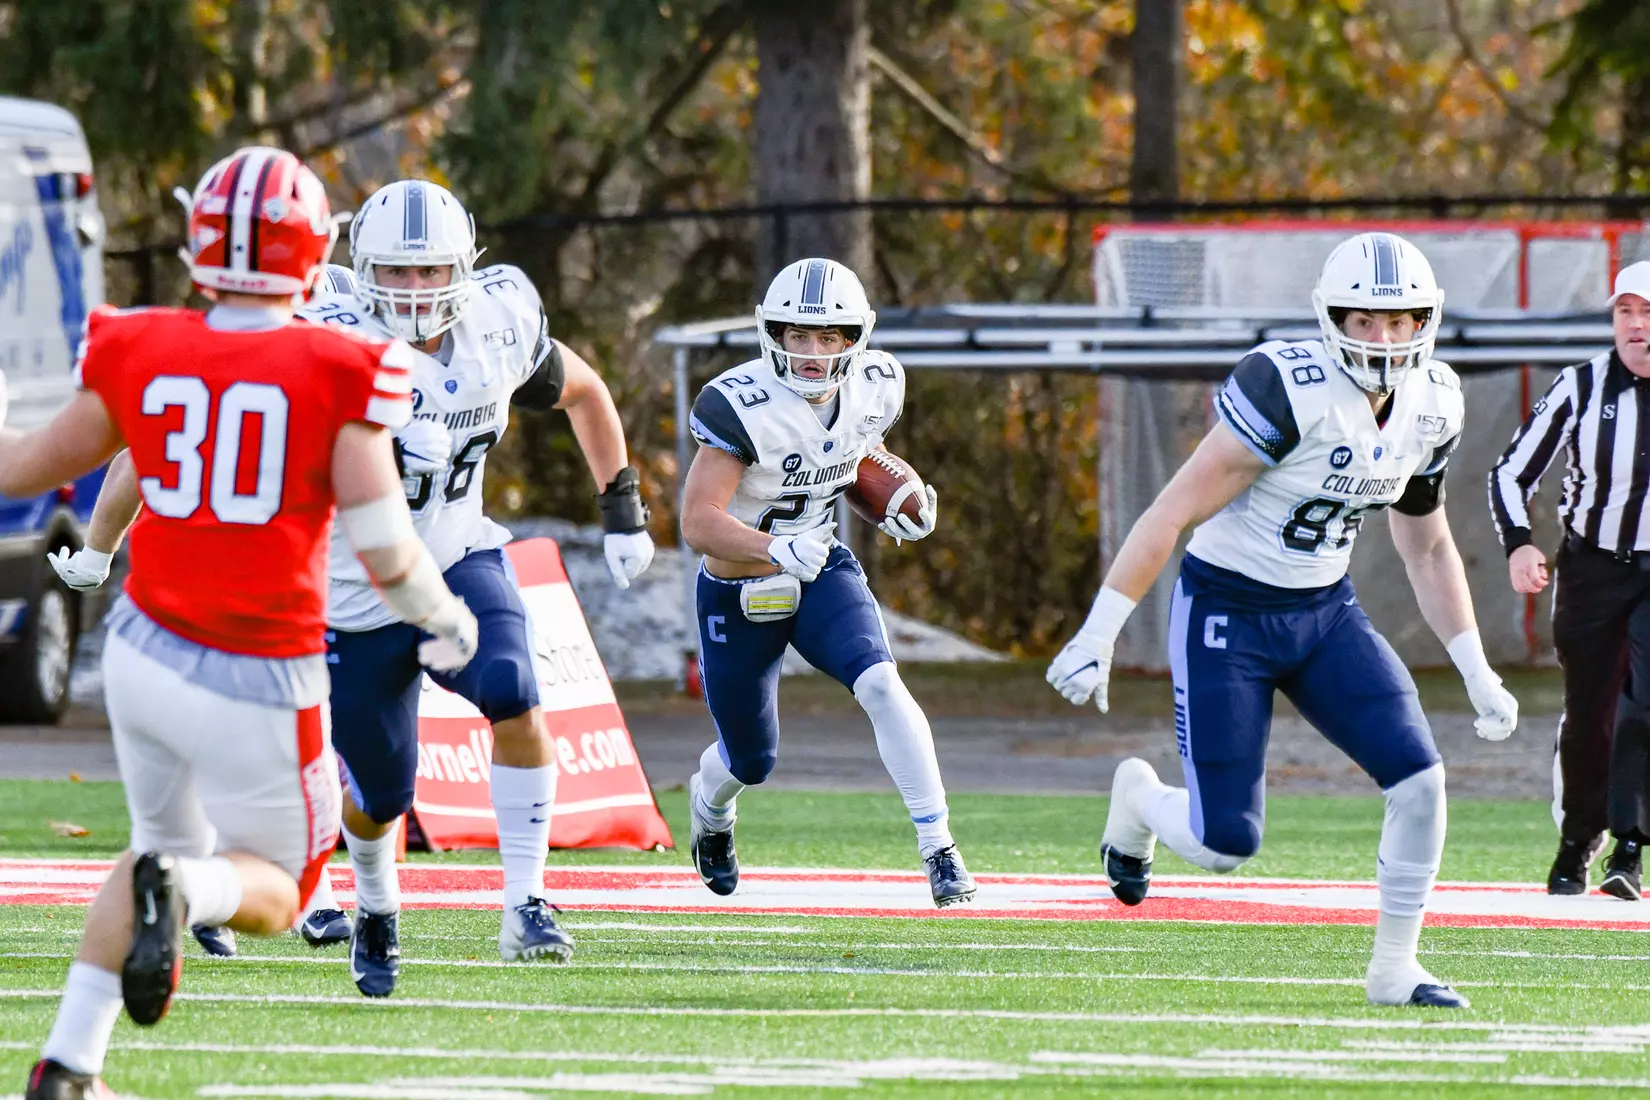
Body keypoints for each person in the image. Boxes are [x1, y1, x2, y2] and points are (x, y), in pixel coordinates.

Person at [54, 179, 657, 998]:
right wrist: (99, 544)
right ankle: (375, 905)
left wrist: (622, 507)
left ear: (465, 266)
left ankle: (528, 905)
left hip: (454, 557)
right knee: (379, 791)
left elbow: (584, 390)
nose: (414, 291)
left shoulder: (499, 323)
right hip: (345, 592)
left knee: (517, 695)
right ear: (357, 269)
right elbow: (162, 440)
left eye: (431, 271)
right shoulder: (313, 336)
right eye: (395, 274)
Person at [7, 146, 477, 1100]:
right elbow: (386, 550)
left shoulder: (143, 346)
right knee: (280, 886)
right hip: (259, 666)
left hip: (140, 652)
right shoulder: (341, 367)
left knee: (151, 845)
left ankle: (69, 1066)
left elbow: (22, 468)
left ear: (198, 246)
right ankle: (188, 896)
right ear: (316, 255)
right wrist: (446, 616)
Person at [1046, 232, 1519, 1009]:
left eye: (1402, 321)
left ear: (1426, 322)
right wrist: (1099, 631)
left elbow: (1428, 545)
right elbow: (1172, 511)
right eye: (1366, 320)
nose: (1385, 338)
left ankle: (1395, 969)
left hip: (1323, 612)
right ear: (1331, 318)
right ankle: (1138, 799)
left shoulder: (1434, 400)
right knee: (1225, 843)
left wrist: (1476, 670)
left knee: (1423, 781)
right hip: (1228, 610)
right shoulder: (1287, 387)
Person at [679, 257, 974, 908]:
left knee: (880, 681)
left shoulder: (877, 384)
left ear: (855, 338)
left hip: (819, 568)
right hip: (740, 586)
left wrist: (900, 498)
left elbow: (850, 455)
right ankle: (711, 810)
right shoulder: (741, 405)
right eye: (799, 336)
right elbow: (698, 522)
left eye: (830, 337)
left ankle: (939, 847)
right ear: (773, 334)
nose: (813, 353)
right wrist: (772, 545)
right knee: (750, 760)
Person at [1489, 260, 1650, 901]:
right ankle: (1577, 841)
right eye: (1625, 313)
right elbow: (1510, 471)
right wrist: (1519, 542)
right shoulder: (1580, 388)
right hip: (1591, 568)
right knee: (1591, 714)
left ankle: (1630, 850)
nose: (1637, 327)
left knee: (1645, 701)